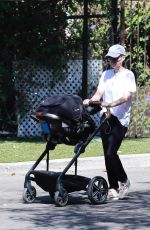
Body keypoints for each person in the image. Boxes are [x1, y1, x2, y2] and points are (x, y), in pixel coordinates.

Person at [83, 44, 136, 200]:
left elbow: (126, 97)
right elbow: (99, 93)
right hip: (106, 117)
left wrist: (110, 104)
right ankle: (112, 188)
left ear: (122, 58)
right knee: (107, 154)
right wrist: (91, 101)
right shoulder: (106, 74)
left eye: (114, 59)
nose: (112, 62)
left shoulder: (128, 75)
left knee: (111, 152)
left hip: (120, 119)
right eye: (109, 59)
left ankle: (124, 181)